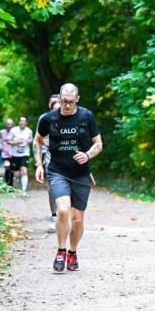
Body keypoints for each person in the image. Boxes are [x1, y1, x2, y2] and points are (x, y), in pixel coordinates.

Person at [35, 83, 103, 273]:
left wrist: (88, 155)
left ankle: (73, 252)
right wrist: (40, 165)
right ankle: (61, 250)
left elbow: (98, 143)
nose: (67, 105)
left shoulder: (86, 116)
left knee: (78, 220)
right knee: (63, 210)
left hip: (80, 173)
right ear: (59, 98)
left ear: (77, 99)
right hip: (58, 171)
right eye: (64, 101)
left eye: (71, 102)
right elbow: (38, 140)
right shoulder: (49, 119)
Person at [34, 94, 61, 233]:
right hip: (49, 155)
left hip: (67, 155)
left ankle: (65, 213)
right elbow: (37, 141)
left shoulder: (73, 118)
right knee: (52, 187)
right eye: (54, 104)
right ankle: (54, 216)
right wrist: (39, 164)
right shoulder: (44, 119)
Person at [6, 116, 33, 194]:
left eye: (24, 121)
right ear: (18, 122)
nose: (22, 122)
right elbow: (8, 141)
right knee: (16, 174)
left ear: (26, 123)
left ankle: (24, 191)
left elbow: (31, 139)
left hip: (25, 154)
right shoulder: (13, 130)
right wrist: (17, 142)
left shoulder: (29, 131)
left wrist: (29, 141)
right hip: (15, 154)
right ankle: (16, 188)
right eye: (21, 121)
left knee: (24, 171)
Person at [0, 118, 14, 187]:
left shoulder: (14, 131)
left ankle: (10, 184)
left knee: (12, 170)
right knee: (7, 168)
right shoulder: (2, 132)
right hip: (5, 154)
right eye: (8, 124)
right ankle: (7, 183)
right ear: (6, 125)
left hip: (13, 154)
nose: (10, 125)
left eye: (11, 124)